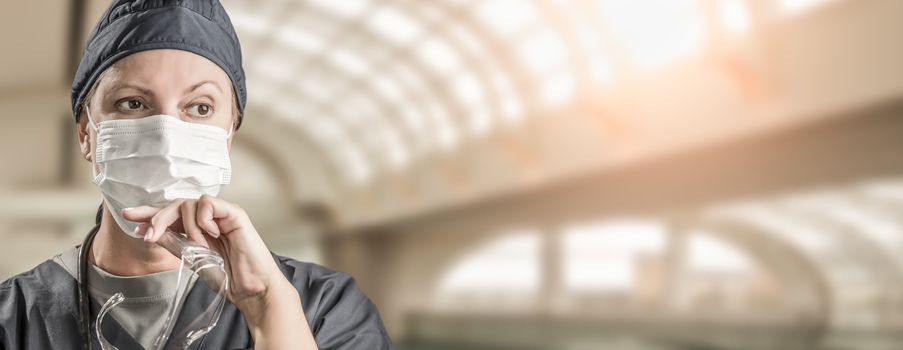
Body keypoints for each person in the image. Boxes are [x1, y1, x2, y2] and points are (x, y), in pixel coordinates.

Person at [0, 0, 393, 349]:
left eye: (200, 108)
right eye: (132, 103)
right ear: (87, 134)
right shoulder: (11, 318)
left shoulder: (326, 309)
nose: (166, 135)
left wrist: (268, 307)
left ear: (228, 138)